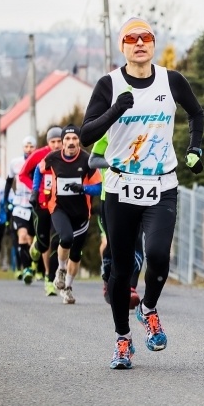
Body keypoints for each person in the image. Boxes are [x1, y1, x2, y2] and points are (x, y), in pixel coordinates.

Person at [81, 17, 204, 370]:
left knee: (158, 256)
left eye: (146, 37)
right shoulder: (109, 84)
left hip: (162, 184)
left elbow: (196, 113)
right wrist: (116, 109)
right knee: (120, 271)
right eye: (131, 38)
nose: (140, 43)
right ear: (122, 46)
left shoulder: (171, 80)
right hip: (121, 186)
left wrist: (194, 149)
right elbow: (87, 134)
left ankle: (148, 308)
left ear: (153, 43)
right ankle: (123, 340)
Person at [32, 124, 101, 304]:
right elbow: (38, 171)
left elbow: (99, 187)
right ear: (62, 143)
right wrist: (34, 192)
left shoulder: (87, 160)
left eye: (74, 139)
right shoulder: (52, 157)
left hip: (81, 213)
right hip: (58, 207)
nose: (71, 142)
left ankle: (68, 287)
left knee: (76, 254)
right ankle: (61, 270)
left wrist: (83, 188)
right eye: (67, 139)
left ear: (79, 141)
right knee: (66, 238)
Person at [89, 132, 143, 309]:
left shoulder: (144, 129)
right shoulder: (107, 131)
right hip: (110, 196)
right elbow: (93, 161)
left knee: (136, 242)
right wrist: (115, 163)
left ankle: (131, 288)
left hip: (139, 194)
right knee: (113, 244)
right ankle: (108, 280)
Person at [19, 127, 63, 296]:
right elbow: (22, 174)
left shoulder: (67, 156)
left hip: (59, 206)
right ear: (48, 142)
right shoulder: (39, 155)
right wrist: (34, 191)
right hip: (41, 205)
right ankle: (36, 246)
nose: (57, 145)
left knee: (55, 241)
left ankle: (49, 279)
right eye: (53, 142)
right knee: (43, 241)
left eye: (59, 141)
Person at [4, 135, 37, 284]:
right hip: (19, 204)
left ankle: (34, 264)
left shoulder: (41, 162)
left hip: (35, 205)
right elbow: (9, 182)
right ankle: (26, 269)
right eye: (26, 146)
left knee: (31, 239)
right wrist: (5, 201)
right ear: (23, 148)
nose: (29, 149)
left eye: (31, 146)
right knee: (22, 236)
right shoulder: (15, 163)